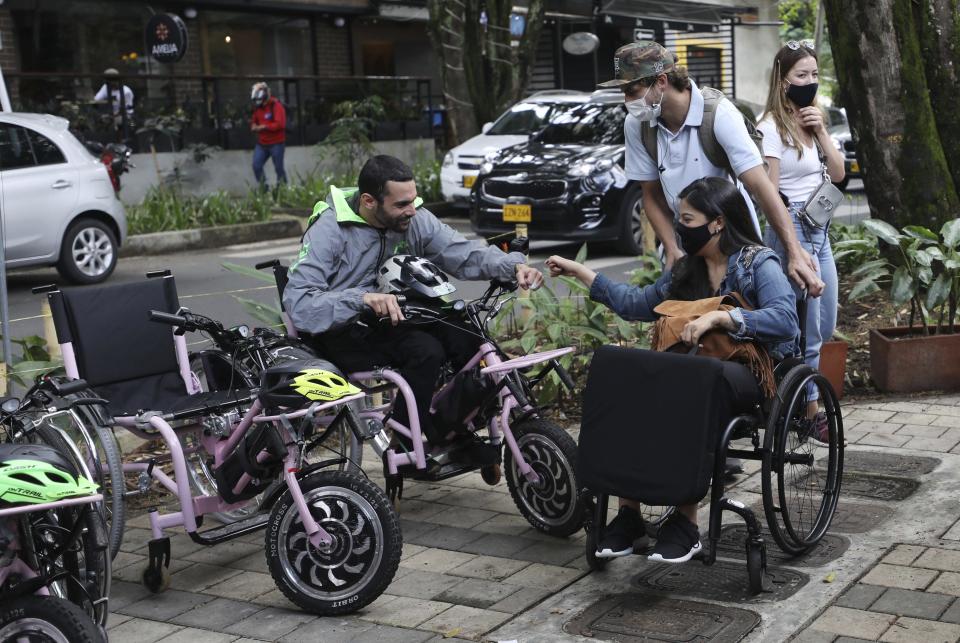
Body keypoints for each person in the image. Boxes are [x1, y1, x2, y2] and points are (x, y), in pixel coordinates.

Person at [546, 176, 799, 564]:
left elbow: (785, 320)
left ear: (717, 222)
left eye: (687, 218)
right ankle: (628, 515)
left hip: (749, 373)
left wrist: (723, 319)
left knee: (689, 382)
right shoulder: (687, 269)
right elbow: (637, 302)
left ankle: (686, 523)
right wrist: (581, 273)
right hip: (695, 373)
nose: (680, 228)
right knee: (626, 374)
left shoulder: (757, 262)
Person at [283, 155, 543, 455]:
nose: (412, 210)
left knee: (470, 339)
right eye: (401, 204)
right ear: (369, 201)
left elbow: (462, 253)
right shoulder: (330, 230)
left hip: (395, 317)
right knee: (425, 352)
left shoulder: (412, 218)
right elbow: (300, 302)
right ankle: (405, 439)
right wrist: (360, 298)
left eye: (413, 200)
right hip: (341, 327)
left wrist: (512, 268)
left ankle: (449, 429)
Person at [598, 41, 824, 299]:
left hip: (730, 239)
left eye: (632, 90)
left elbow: (760, 187)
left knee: (737, 325)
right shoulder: (638, 125)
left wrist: (793, 251)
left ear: (661, 81)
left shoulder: (717, 114)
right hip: (686, 238)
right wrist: (672, 248)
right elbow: (650, 194)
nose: (627, 101)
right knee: (686, 325)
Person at [757, 41, 845, 434]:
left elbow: (839, 174)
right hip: (792, 226)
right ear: (782, 79)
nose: (809, 82)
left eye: (814, 75)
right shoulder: (770, 127)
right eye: (801, 76)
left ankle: (789, 392)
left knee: (825, 325)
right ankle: (809, 415)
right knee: (807, 328)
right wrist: (788, 242)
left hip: (820, 226)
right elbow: (768, 189)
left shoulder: (812, 121)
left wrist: (821, 129)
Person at [250, 82, 287, 188]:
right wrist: (253, 126)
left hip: (277, 143)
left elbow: (280, 124)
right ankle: (264, 189)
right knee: (256, 165)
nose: (258, 102)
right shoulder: (258, 108)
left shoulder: (276, 105)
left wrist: (263, 127)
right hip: (262, 143)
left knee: (278, 168)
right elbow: (254, 122)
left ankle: (283, 190)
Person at [93, 68, 134, 132]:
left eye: (113, 80)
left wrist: (113, 116)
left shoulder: (126, 91)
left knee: (112, 124)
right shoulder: (105, 87)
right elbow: (96, 100)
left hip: (125, 116)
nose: (110, 82)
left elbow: (127, 109)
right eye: (108, 80)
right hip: (109, 115)